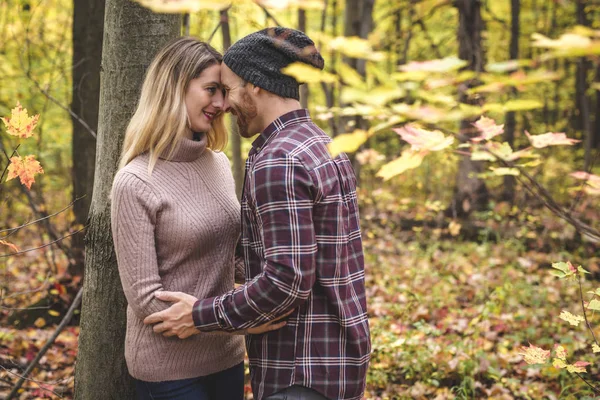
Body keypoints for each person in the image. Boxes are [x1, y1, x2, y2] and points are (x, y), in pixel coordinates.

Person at [144, 28, 371, 400]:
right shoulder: (322, 145)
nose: (226, 104)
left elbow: (286, 280)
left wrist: (200, 315)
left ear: (257, 86)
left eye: (230, 89)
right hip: (337, 362)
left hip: (300, 371)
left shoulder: (278, 160)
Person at [111, 37, 286, 400]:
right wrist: (240, 323)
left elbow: (231, 255)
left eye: (224, 91)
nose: (222, 104)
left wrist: (277, 283)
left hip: (226, 356)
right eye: (211, 90)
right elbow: (147, 300)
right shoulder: (135, 181)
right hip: (168, 369)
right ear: (174, 88)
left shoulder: (218, 163)